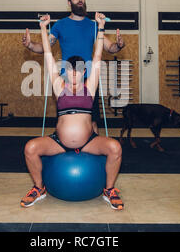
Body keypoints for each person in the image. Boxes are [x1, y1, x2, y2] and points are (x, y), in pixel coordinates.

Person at [20, 13, 124, 210]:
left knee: (115, 148)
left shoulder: (90, 87)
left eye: (78, 70)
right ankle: (38, 188)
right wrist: (44, 28)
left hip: (88, 143)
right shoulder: (59, 86)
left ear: (84, 71)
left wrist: (100, 27)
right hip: (59, 143)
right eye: (70, 69)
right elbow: (49, 55)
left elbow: (98, 55)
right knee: (30, 148)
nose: (74, 73)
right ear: (65, 71)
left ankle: (109, 189)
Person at [22, 0, 125, 133]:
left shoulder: (93, 25)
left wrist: (119, 45)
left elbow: (110, 48)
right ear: (69, 3)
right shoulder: (60, 25)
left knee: (92, 123)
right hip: (66, 80)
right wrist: (30, 44)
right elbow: (45, 47)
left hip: (88, 80)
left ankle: (93, 150)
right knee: (65, 121)